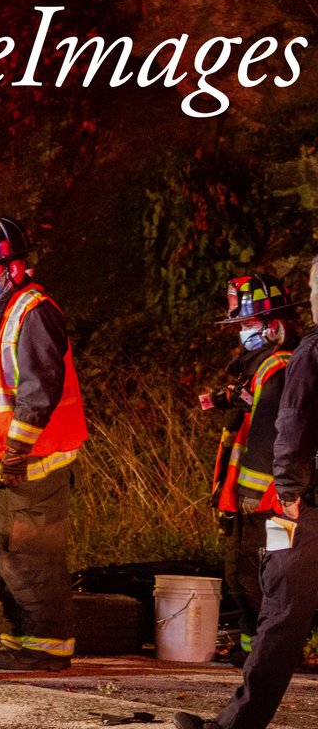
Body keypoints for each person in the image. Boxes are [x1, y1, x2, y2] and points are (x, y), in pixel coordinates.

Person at [174, 256, 318, 729]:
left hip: (295, 509)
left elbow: (288, 428)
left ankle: (237, 723)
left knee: (280, 611)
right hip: (294, 502)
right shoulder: (283, 360)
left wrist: (285, 495)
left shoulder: (304, 355)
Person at [0, 216, 87, 671]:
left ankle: (47, 648)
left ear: (15, 267)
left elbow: (39, 388)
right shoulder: (0, 312)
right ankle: (21, 637)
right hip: (1, 463)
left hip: (35, 463)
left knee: (31, 558)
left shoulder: (34, 311)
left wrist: (17, 448)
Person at [206, 274, 300, 667]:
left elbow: (268, 436)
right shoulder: (260, 369)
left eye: (247, 324)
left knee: (260, 579)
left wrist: (250, 494)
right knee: (240, 575)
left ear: (273, 326)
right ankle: (251, 651)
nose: (242, 333)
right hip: (249, 498)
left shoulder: (278, 368)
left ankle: (271, 657)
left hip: (266, 500)